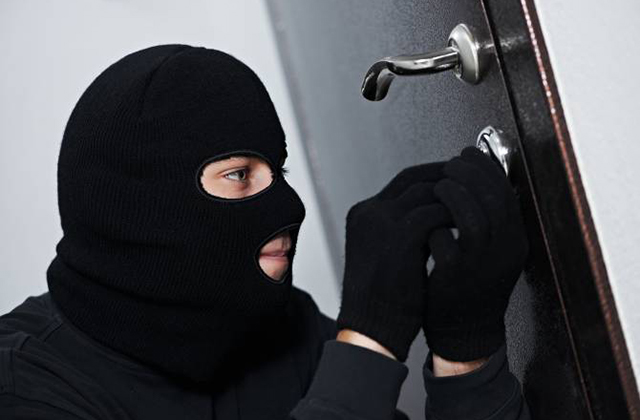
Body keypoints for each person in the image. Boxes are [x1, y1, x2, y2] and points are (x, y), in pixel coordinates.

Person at [0, 44, 530, 419]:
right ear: (144, 207)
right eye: (238, 175)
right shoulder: (24, 387)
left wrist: (465, 352)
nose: (286, 206)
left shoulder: (284, 330)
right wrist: (369, 342)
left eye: (279, 171)